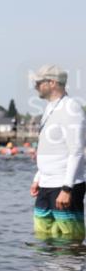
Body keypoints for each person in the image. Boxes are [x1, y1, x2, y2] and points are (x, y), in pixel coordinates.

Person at [29, 65, 85, 242]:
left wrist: (67, 188)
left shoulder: (71, 108)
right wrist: (39, 176)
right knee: (43, 237)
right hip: (46, 184)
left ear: (52, 83)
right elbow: (50, 147)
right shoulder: (50, 108)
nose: (35, 87)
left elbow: (76, 150)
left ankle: (70, 269)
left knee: (69, 239)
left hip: (64, 185)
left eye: (38, 83)